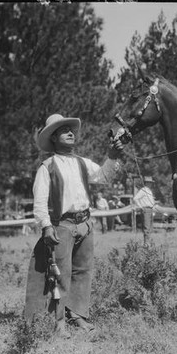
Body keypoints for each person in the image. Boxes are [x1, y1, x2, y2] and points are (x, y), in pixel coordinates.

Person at [24, 113, 124, 338]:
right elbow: (39, 202)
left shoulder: (82, 162)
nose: (71, 133)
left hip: (85, 223)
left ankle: (77, 315)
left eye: (71, 129)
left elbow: (103, 176)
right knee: (60, 274)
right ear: (53, 138)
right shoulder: (47, 167)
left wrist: (113, 155)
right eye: (64, 130)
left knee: (83, 271)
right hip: (63, 226)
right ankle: (58, 322)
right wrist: (47, 227)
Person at [132, 176, 156, 244]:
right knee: (147, 227)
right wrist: (141, 206)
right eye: (149, 183)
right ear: (146, 183)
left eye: (151, 183)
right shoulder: (143, 190)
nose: (150, 184)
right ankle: (146, 243)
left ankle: (148, 242)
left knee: (150, 227)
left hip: (150, 209)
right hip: (146, 209)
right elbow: (135, 198)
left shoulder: (149, 191)